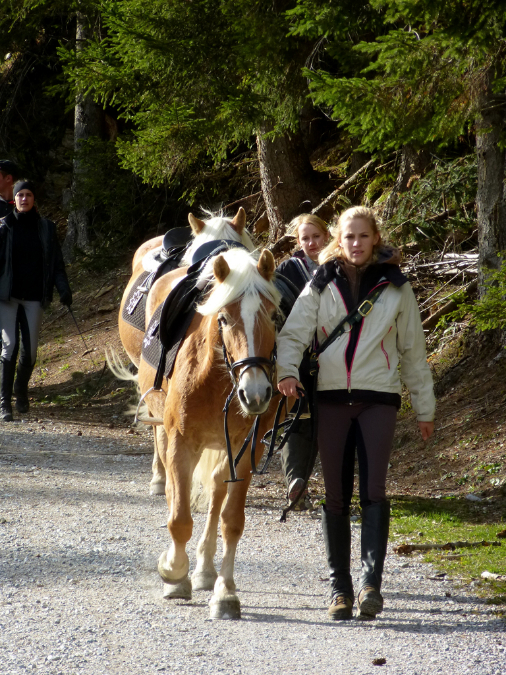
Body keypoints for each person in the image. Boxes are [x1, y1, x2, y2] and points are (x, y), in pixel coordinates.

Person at [277, 206, 435, 621]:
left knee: (373, 492)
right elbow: (293, 334)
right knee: (335, 496)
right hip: (330, 400)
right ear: (338, 240)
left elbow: (413, 352)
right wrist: (287, 372)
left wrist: (425, 407)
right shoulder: (320, 282)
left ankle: (370, 586)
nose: (356, 243)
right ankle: (340, 589)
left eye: (364, 236)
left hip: (377, 399)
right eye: (349, 236)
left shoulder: (396, 287)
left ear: (375, 238)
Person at [0, 180, 72, 421]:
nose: (24, 199)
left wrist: (64, 289)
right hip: (7, 297)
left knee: (30, 353)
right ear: (14, 199)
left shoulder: (47, 228)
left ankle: (20, 390)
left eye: (28, 195)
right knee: (9, 347)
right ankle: (4, 402)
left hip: (34, 298)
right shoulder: (4, 225)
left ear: (34, 199)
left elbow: (56, 263)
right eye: (20, 195)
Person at [276, 214, 329, 506]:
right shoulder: (287, 270)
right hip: (299, 358)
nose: (311, 243)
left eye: (316, 236)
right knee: (297, 417)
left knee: (325, 420)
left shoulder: (342, 266)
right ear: (297, 242)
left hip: (336, 360)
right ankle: (296, 481)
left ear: (327, 235)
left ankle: (317, 482)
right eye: (305, 238)